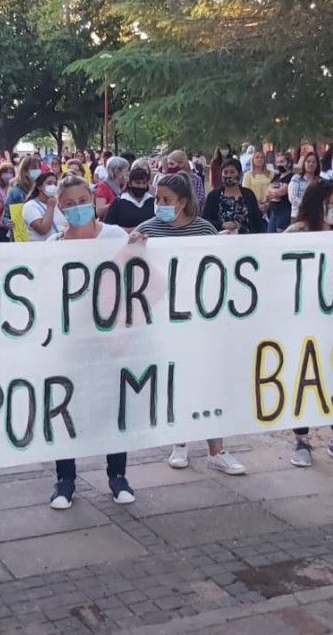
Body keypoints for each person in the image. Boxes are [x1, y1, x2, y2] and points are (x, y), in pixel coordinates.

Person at [131, 173, 247, 476]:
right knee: (174, 380)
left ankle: (216, 449)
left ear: (182, 202)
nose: (160, 204)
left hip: (199, 318)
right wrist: (133, 247)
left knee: (207, 380)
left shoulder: (204, 229)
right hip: (164, 320)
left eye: (166, 200)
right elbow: (133, 272)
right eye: (158, 199)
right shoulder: (148, 229)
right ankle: (179, 443)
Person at [47, 176, 137, 509]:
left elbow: (135, 281)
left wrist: (124, 329)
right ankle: (65, 480)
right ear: (60, 207)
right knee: (65, 407)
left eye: (82, 200)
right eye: (68, 204)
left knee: (113, 406)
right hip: (72, 340)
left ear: (94, 200)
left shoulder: (114, 236)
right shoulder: (54, 247)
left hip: (111, 338)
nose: (77, 208)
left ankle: (118, 476)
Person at [282, 178, 333, 465]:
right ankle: (301, 440)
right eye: (332, 201)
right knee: (303, 378)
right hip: (304, 319)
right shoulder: (295, 233)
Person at [203, 158, 266, 234]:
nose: (229, 175)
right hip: (221, 239)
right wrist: (221, 225)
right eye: (225, 172)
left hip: (247, 239)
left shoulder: (248, 194)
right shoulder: (213, 196)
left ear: (239, 174)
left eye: (232, 172)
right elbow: (205, 219)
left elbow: (257, 220)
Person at [263, 153, 294, 233]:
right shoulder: (276, 177)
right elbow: (267, 193)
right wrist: (274, 192)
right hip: (273, 211)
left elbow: (282, 192)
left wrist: (273, 192)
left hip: (284, 211)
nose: (279, 164)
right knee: (270, 234)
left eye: (282, 162)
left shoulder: (291, 177)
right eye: (278, 162)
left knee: (281, 235)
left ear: (289, 163)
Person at [287, 151, 321, 221]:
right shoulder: (296, 178)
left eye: (313, 162)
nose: (311, 164)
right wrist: (307, 206)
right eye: (308, 161)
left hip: (315, 216)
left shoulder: (320, 181)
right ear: (304, 163)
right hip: (297, 215)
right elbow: (293, 198)